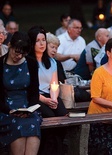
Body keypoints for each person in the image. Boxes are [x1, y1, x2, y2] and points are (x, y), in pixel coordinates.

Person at [0, 31, 42, 155]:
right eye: (16, 52)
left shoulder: (31, 63)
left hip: (27, 107)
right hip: (6, 108)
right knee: (18, 124)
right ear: (10, 46)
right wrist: (9, 110)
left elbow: (35, 91)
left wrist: (30, 108)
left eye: (22, 54)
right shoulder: (1, 64)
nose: (18, 56)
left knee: (33, 124)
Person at [28, 26, 67, 155]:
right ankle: (47, 150)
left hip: (50, 94)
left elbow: (54, 83)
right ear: (32, 42)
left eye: (43, 40)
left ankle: (58, 149)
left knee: (63, 115)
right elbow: (30, 89)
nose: (41, 43)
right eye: (38, 40)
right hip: (35, 97)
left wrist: (54, 98)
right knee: (50, 118)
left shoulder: (51, 61)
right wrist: (45, 100)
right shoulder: (28, 62)